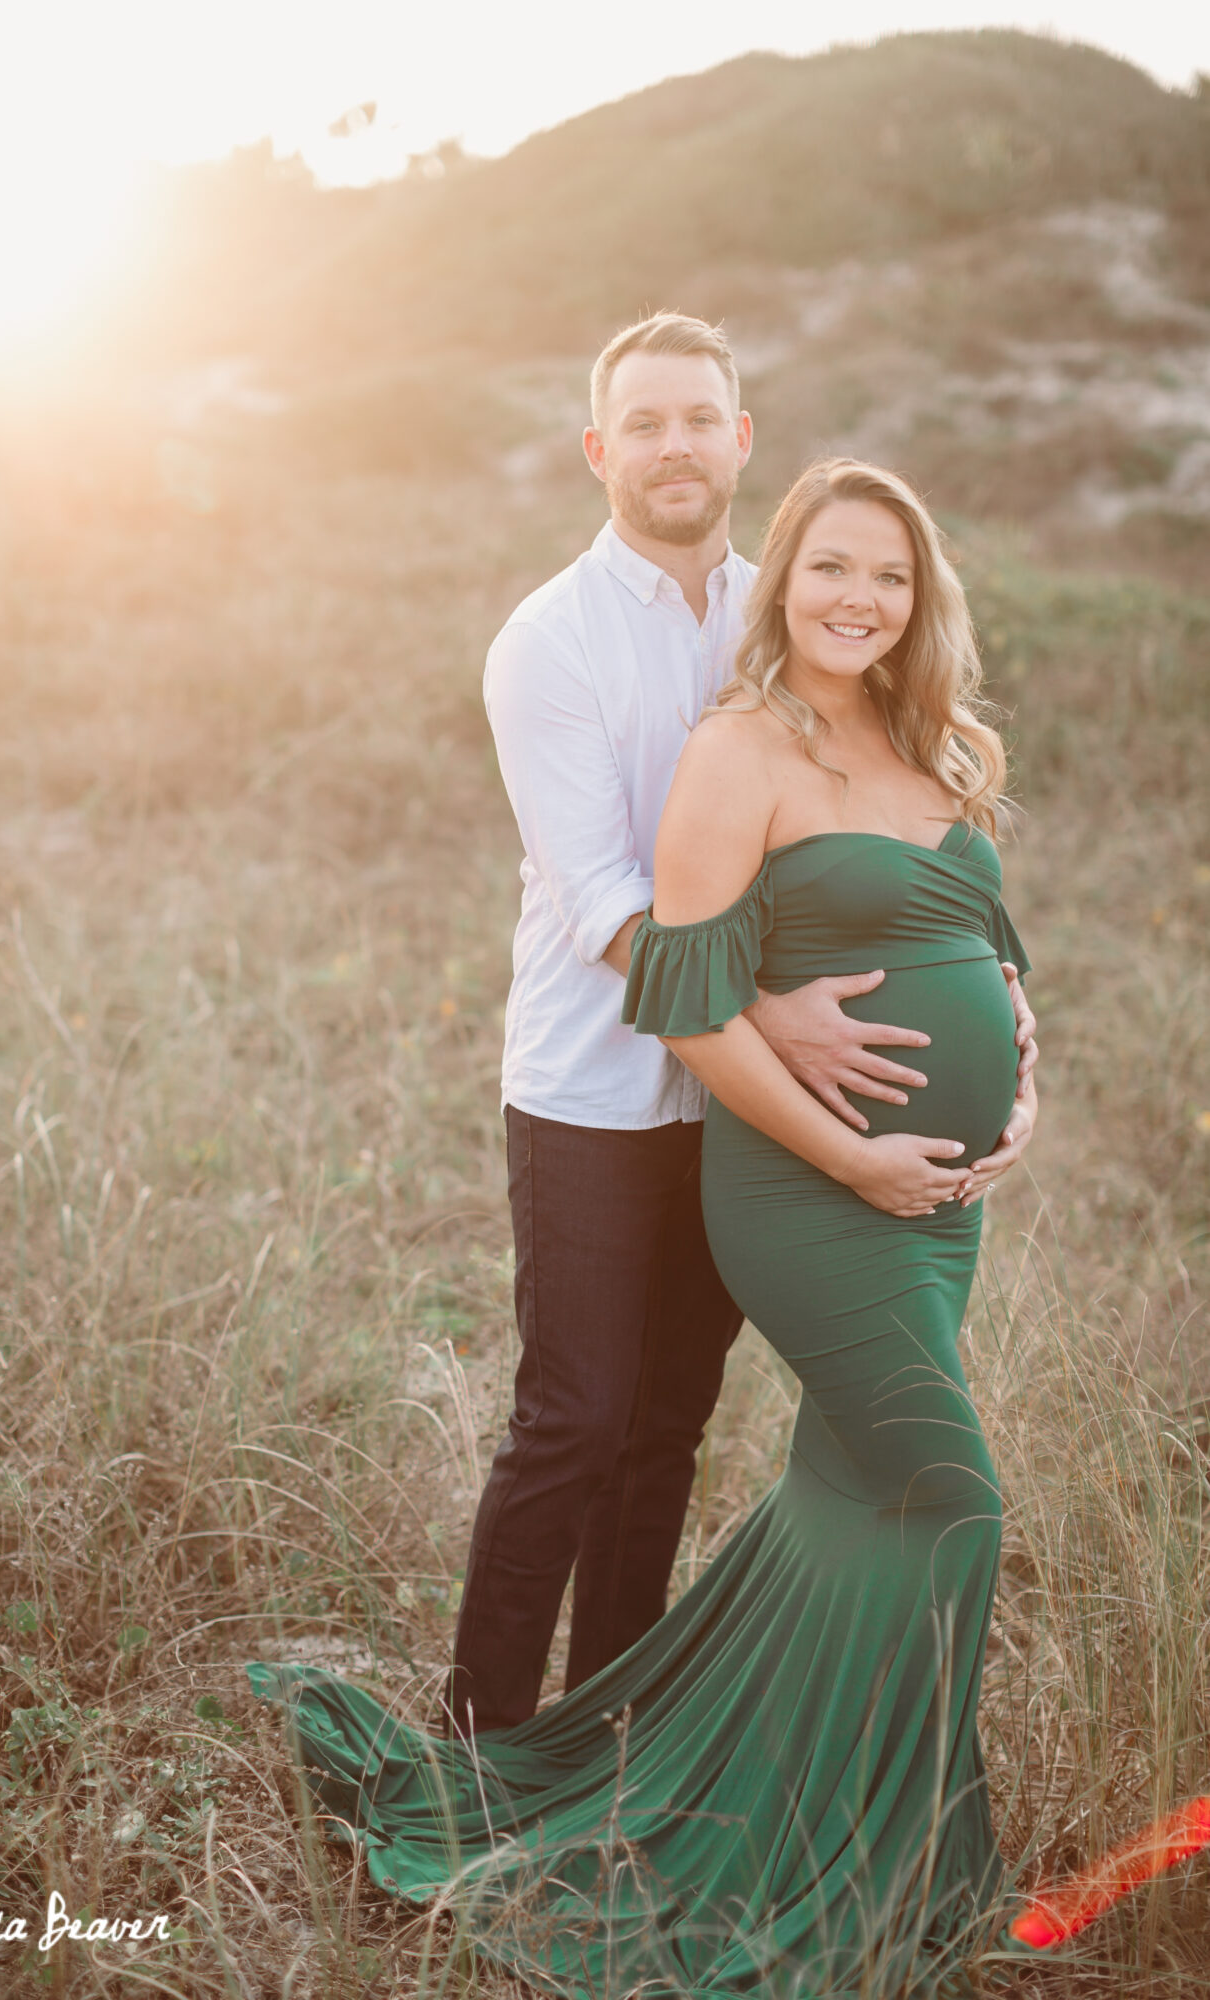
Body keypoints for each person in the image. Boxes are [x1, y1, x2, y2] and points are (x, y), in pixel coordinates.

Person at [246, 453, 1043, 1997]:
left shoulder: (941, 748)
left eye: (887, 574)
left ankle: (716, 1788)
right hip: (812, 1193)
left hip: (937, 1213)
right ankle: (843, 1846)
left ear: (919, 594)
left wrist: (1028, 1099)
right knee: (945, 1503)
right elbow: (681, 992)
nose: (857, 598)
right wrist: (851, 1154)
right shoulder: (730, 745)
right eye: (830, 570)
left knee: (839, 1498)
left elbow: (996, 965)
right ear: (781, 582)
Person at [442, 313, 1035, 1738]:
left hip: (736, 1114)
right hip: (595, 1089)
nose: (672, 447)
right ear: (600, 450)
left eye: (697, 418)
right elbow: (594, 890)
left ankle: (608, 1733)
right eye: (641, 424)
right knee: (572, 1421)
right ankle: (478, 1740)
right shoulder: (548, 642)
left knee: (662, 1437)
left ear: (739, 440)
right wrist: (760, 1005)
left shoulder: (784, 607)